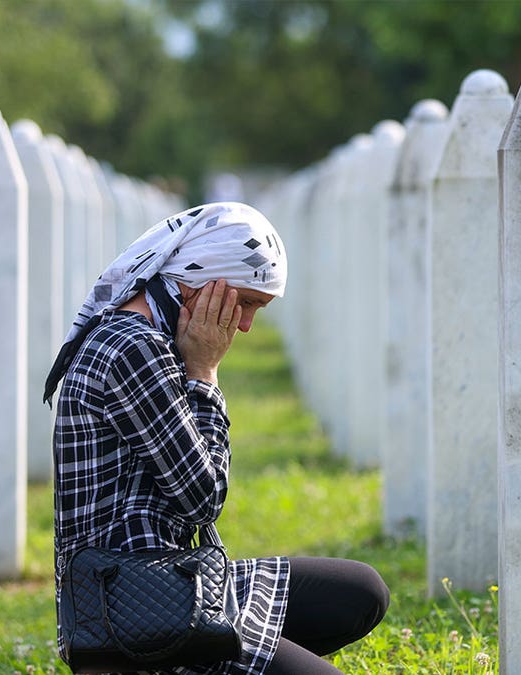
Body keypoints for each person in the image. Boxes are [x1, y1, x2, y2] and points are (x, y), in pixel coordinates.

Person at [43, 202, 388, 674]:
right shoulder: (134, 347)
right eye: (245, 302)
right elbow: (202, 499)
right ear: (203, 279)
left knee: (361, 592)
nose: (244, 325)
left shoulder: (149, 336)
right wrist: (204, 373)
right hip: (133, 609)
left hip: (167, 578)